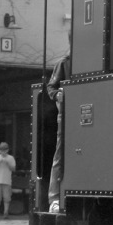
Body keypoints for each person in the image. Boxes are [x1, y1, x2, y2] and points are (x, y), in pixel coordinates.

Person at [47, 52, 70, 214]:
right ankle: (54, 198)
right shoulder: (64, 62)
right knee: (60, 154)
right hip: (67, 113)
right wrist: (58, 95)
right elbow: (51, 87)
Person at [0, 142, 16, 218]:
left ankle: (6, 212)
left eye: (5, 150)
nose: (3, 152)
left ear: (7, 150)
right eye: (1, 150)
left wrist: (7, 163)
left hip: (7, 181)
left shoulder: (10, 158)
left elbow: (13, 169)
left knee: (7, 197)